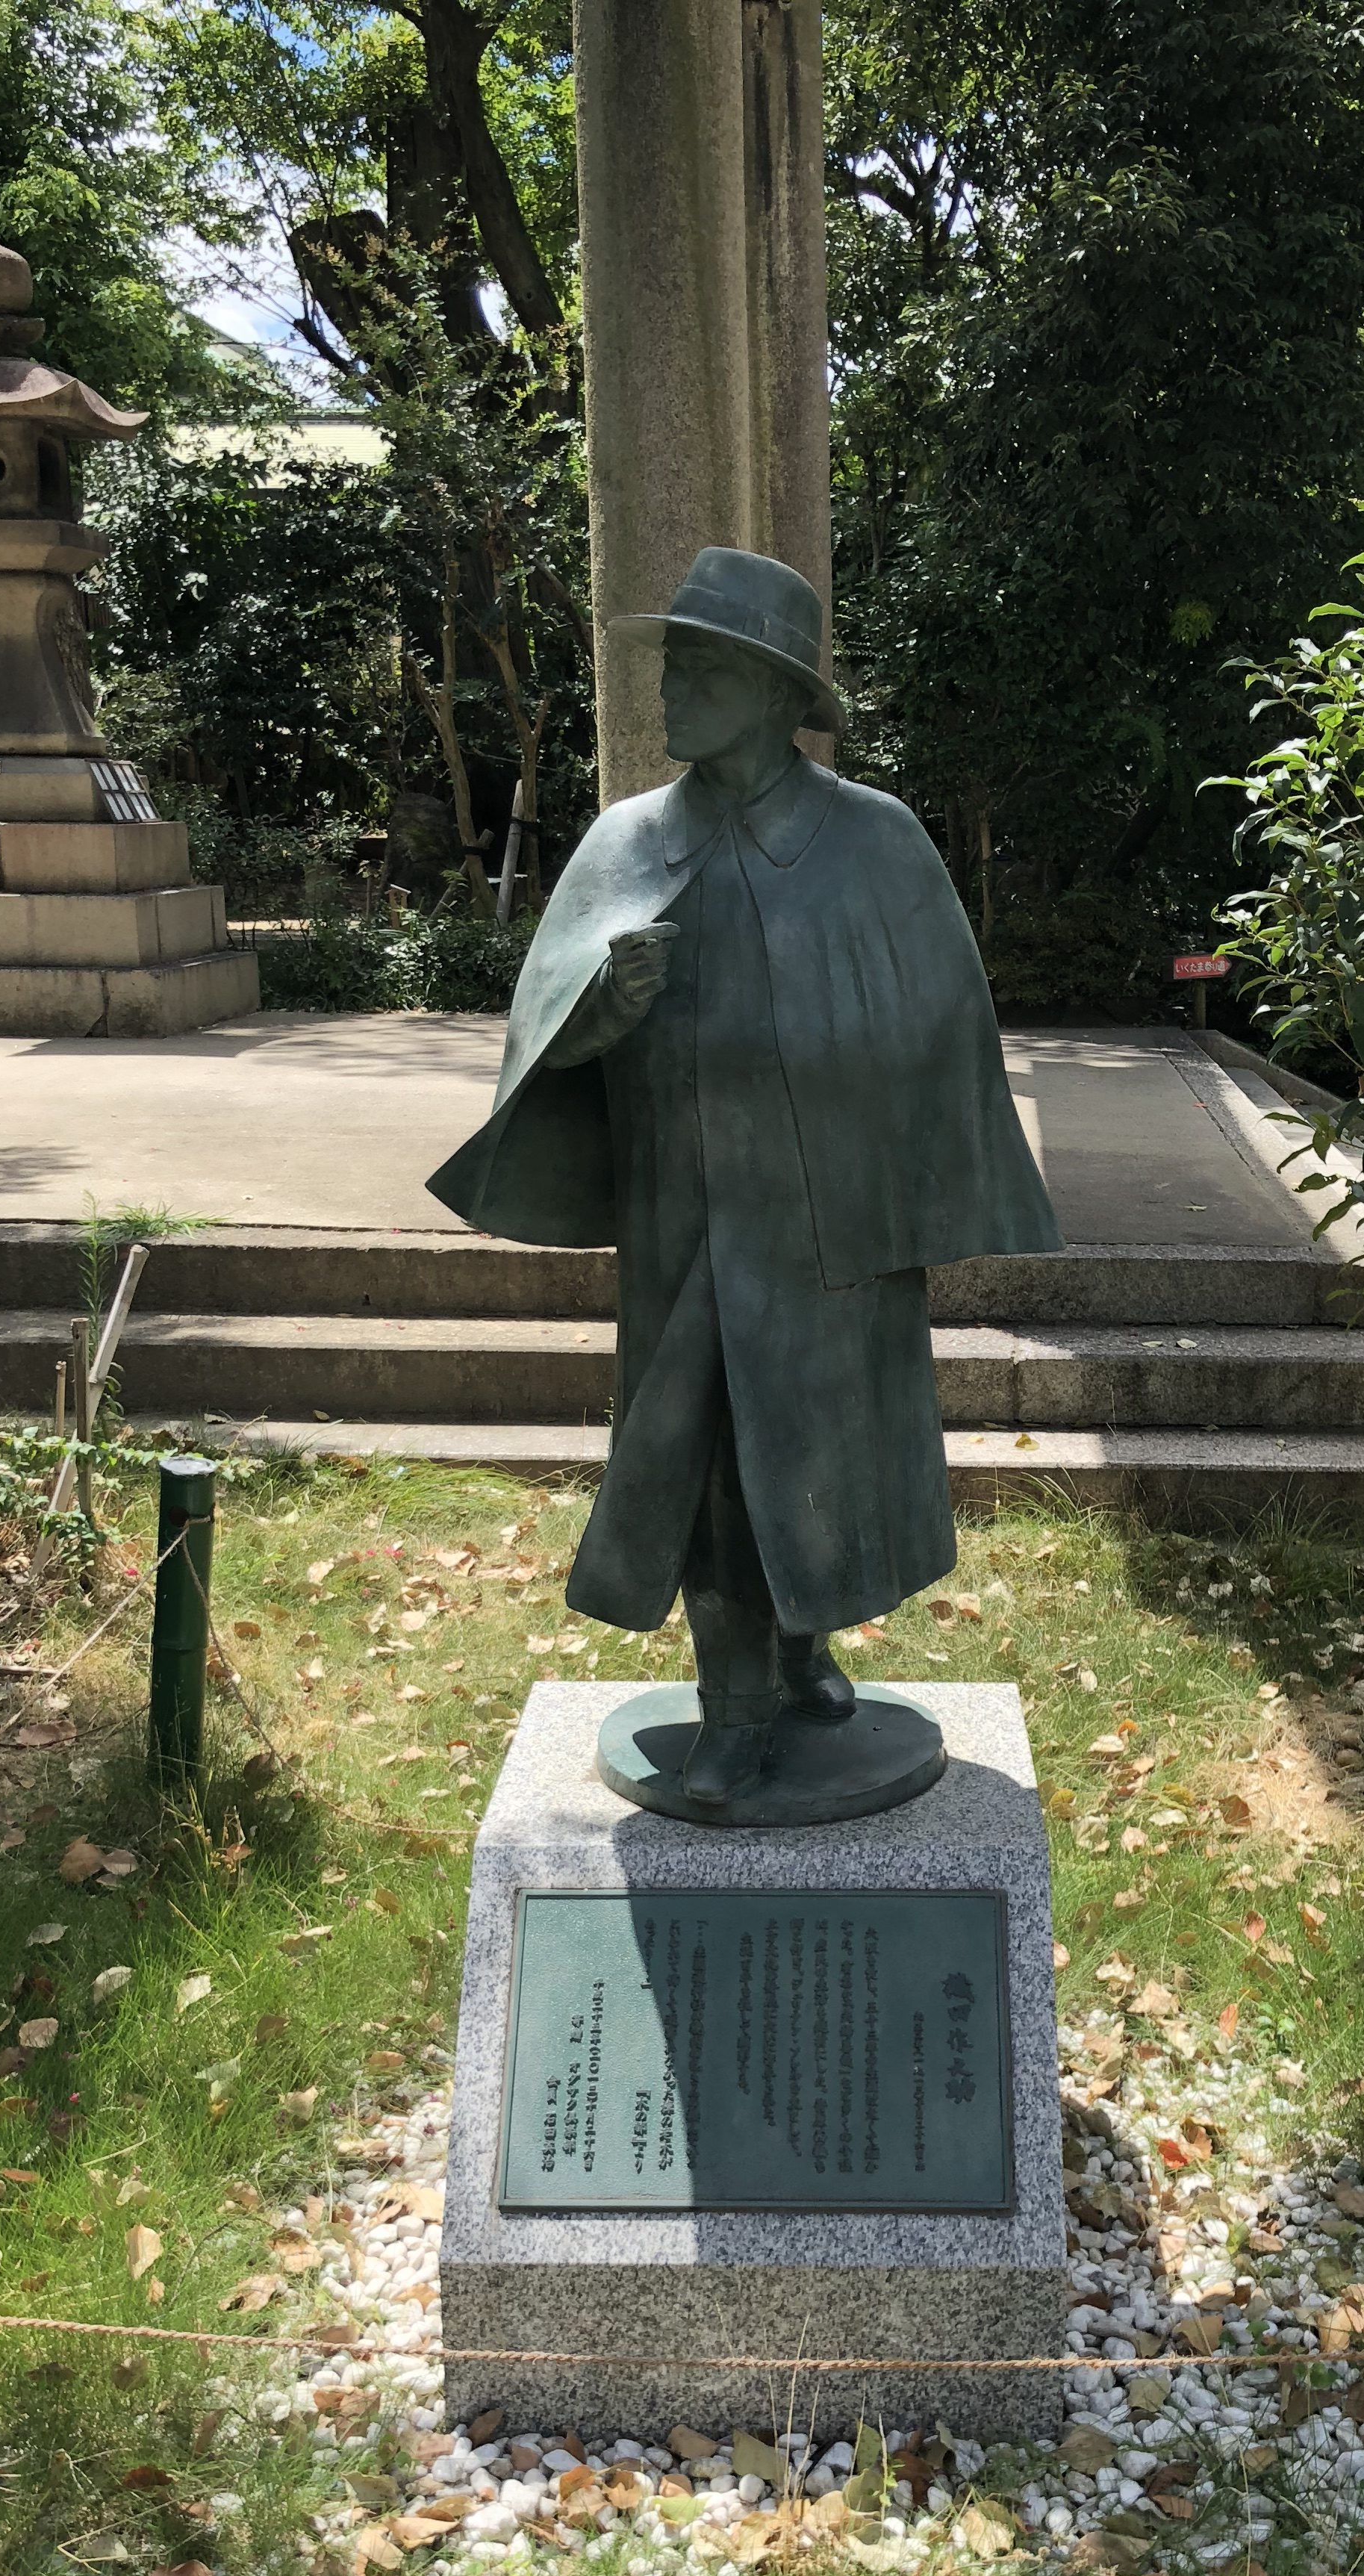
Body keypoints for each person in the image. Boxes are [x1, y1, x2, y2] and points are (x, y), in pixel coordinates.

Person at [429, 546, 1059, 1804]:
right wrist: (599, 1010)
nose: (672, 688)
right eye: (670, 661)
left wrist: (903, 1167)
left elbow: (944, 1032)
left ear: (776, 695)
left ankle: (802, 1647)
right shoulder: (625, 840)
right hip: (690, 1224)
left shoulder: (876, 843)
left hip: (835, 1229)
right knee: (708, 1458)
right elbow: (545, 1022)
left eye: (702, 666)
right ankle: (734, 1705)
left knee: (824, 1450)